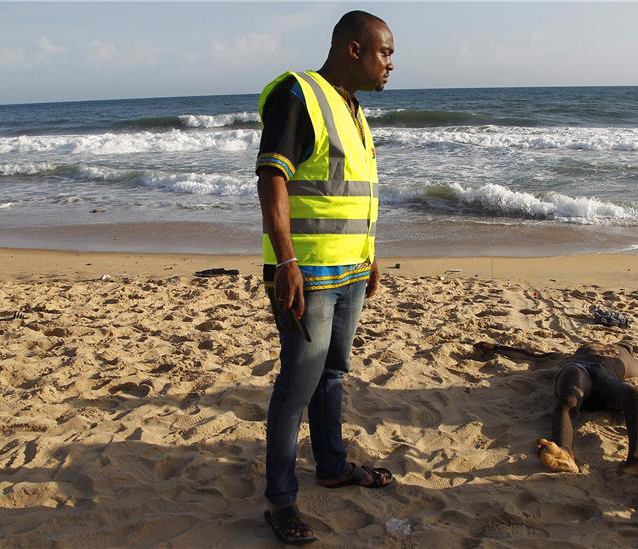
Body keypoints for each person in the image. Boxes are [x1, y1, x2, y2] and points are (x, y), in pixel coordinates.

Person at [255, 10, 395, 545]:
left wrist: (370, 255)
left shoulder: (353, 110)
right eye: (384, 53)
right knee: (297, 383)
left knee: (333, 374)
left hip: (351, 270)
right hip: (306, 274)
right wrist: (286, 262)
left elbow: (350, 195)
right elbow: (273, 180)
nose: (390, 66)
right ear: (354, 50)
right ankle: (281, 499)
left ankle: (332, 465)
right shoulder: (299, 94)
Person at [474, 341, 638, 483]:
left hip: (606, 380)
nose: (608, 344)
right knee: (569, 400)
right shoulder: (582, 354)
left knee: (634, 396)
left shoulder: (631, 361)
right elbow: (537, 357)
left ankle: (635, 460)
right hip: (579, 369)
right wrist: (499, 348)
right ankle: (565, 452)